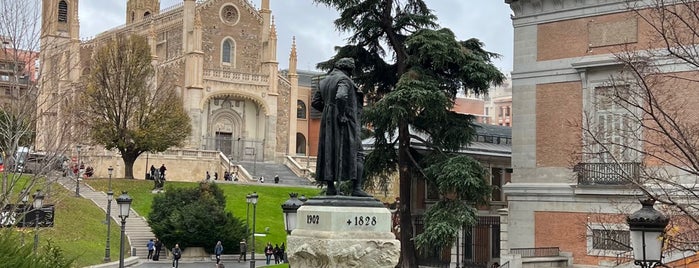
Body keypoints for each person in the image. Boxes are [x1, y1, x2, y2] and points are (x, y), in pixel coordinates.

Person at [311, 57, 370, 197]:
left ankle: (331, 187)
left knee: (329, 152)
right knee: (359, 153)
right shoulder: (344, 80)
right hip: (345, 122)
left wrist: (328, 111)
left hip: (328, 122)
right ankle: (357, 188)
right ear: (348, 69)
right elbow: (341, 96)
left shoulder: (324, 81)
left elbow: (315, 102)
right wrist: (341, 114)